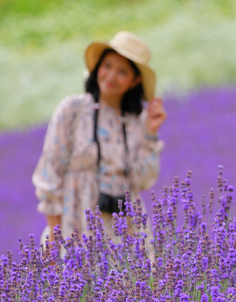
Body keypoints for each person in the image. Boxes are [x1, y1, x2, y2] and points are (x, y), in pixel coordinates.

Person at [32, 31, 167, 247]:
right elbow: (48, 176)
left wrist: (151, 131)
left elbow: (143, 180)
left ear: (135, 80)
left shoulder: (135, 122)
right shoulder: (72, 110)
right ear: (97, 68)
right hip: (75, 228)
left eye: (122, 71)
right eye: (108, 66)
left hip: (126, 233)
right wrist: (55, 239)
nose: (111, 76)